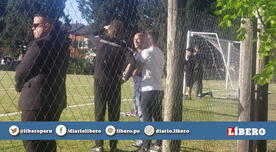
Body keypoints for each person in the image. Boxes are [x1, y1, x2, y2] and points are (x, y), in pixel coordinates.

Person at [15, 12, 70, 152]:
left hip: (36, 101)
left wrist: (18, 85)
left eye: (35, 25)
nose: (32, 28)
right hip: (55, 100)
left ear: (47, 26)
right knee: (48, 142)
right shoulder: (62, 44)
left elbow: (22, 70)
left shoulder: (40, 44)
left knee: (32, 142)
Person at [88, 20, 135, 152]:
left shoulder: (101, 40)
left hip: (100, 82)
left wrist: (103, 28)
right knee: (114, 115)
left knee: (99, 113)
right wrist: (125, 77)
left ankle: (99, 146)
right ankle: (113, 147)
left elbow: (90, 33)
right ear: (121, 32)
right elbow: (133, 61)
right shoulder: (122, 45)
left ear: (110, 29)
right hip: (114, 83)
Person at [137, 30, 164, 152]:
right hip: (158, 88)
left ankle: (146, 145)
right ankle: (158, 143)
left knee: (147, 118)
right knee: (158, 116)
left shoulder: (146, 52)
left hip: (147, 89)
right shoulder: (161, 53)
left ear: (148, 39)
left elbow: (137, 65)